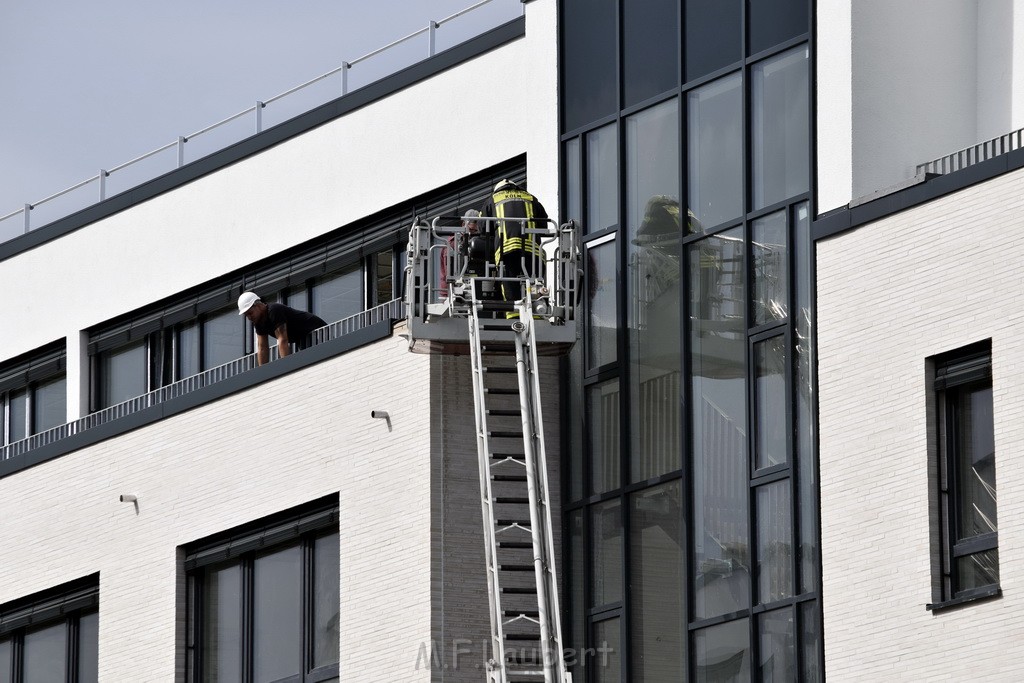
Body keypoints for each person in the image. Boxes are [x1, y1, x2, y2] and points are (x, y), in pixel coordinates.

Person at [481, 179, 547, 318]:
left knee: (510, 284)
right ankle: (536, 315)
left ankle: (514, 317)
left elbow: (483, 229)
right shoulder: (530, 197)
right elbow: (544, 224)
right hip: (531, 250)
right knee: (533, 282)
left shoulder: (492, 199)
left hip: (507, 250)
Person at [237, 291, 327, 366]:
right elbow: (262, 347)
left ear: (258, 306)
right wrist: (262, 373)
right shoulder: (259, 322)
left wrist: (285, 368)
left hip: (318, 332)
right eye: (246, 315)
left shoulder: (274, 311)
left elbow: (283, 340)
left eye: (250, 313)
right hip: (303, 339)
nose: (249, 317)